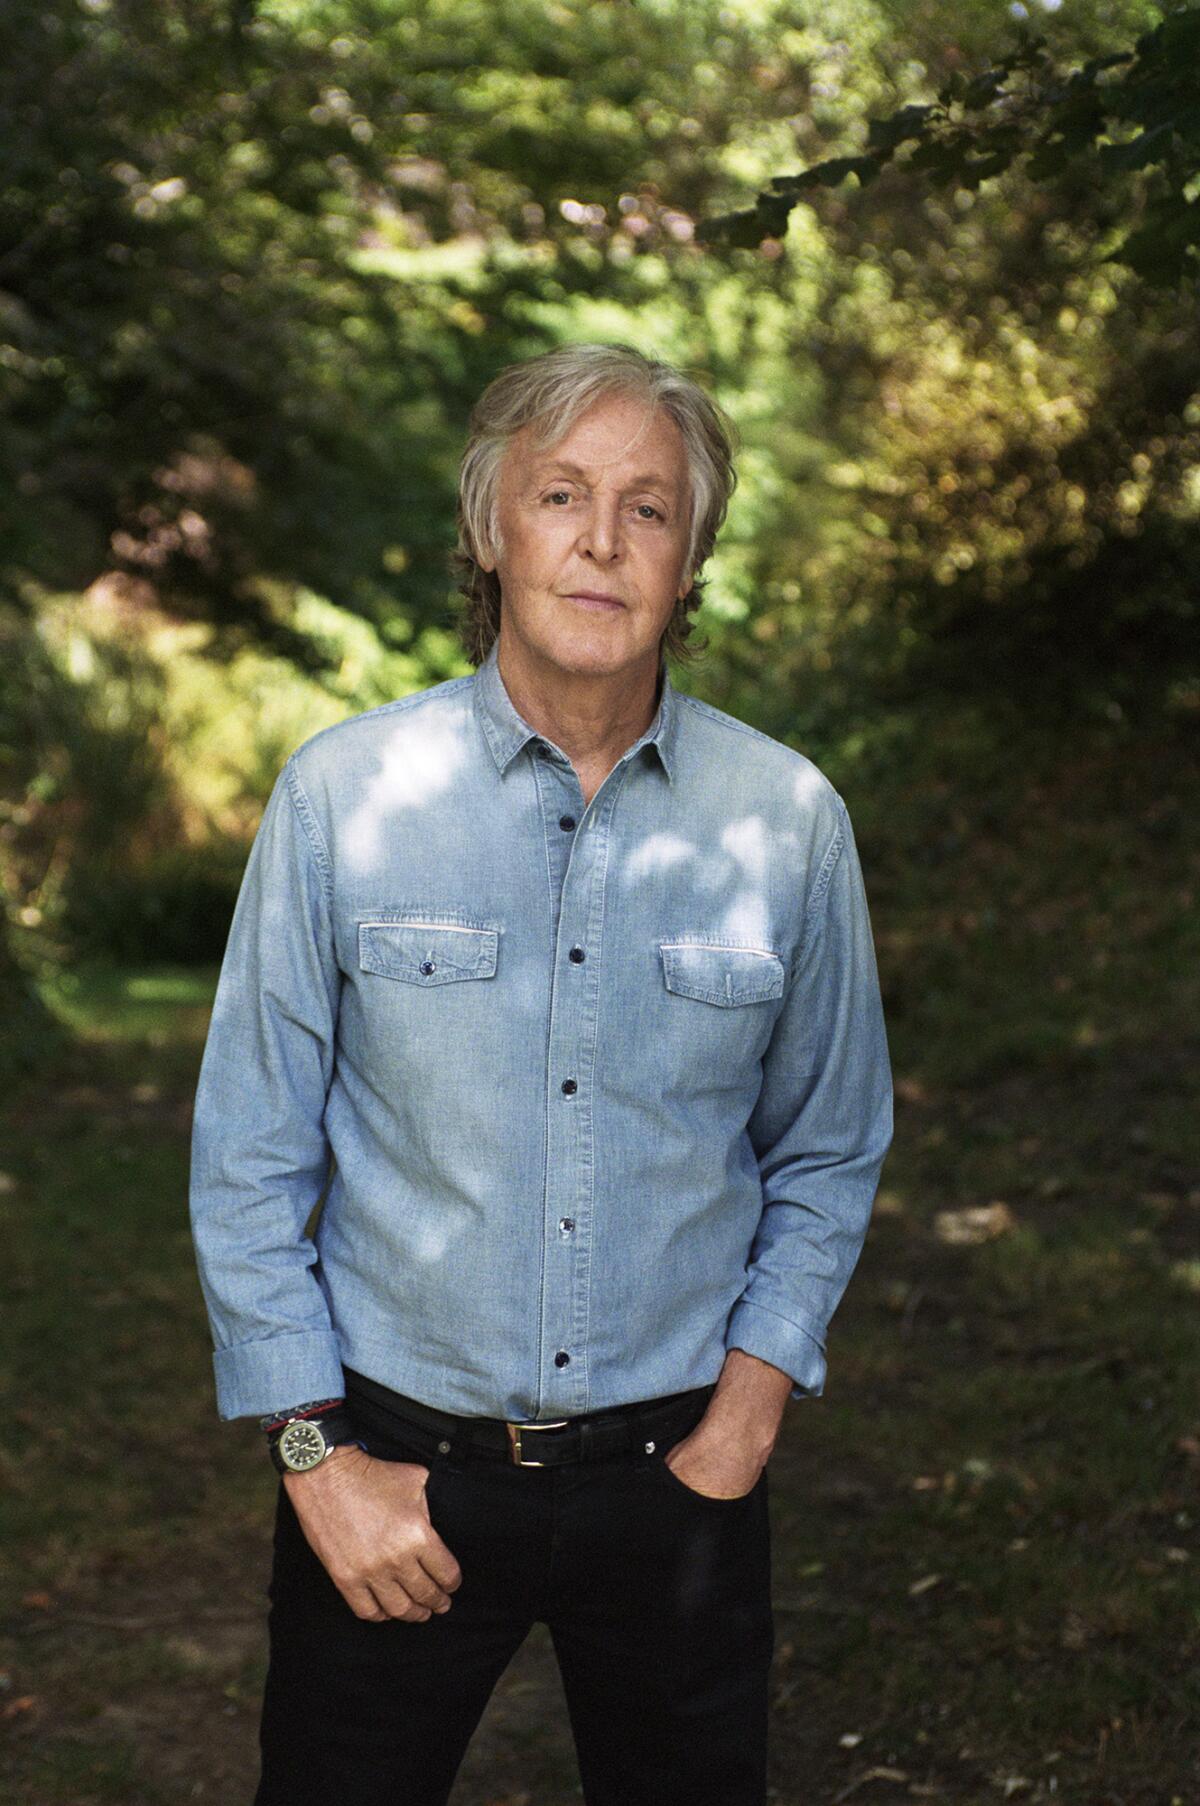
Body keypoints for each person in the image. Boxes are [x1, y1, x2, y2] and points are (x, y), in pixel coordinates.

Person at [188, 341, 893, 1806]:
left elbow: (829, 1144)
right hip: (392, 1478)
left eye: (647, 507)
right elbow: (251, 1148)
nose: (598, 539)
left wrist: (749, 1410)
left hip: (678, 1482)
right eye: (559, 492)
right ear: (489, 526)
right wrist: (318, 1457)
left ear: (690, 555)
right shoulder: (341, 795)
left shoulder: (789, 820)